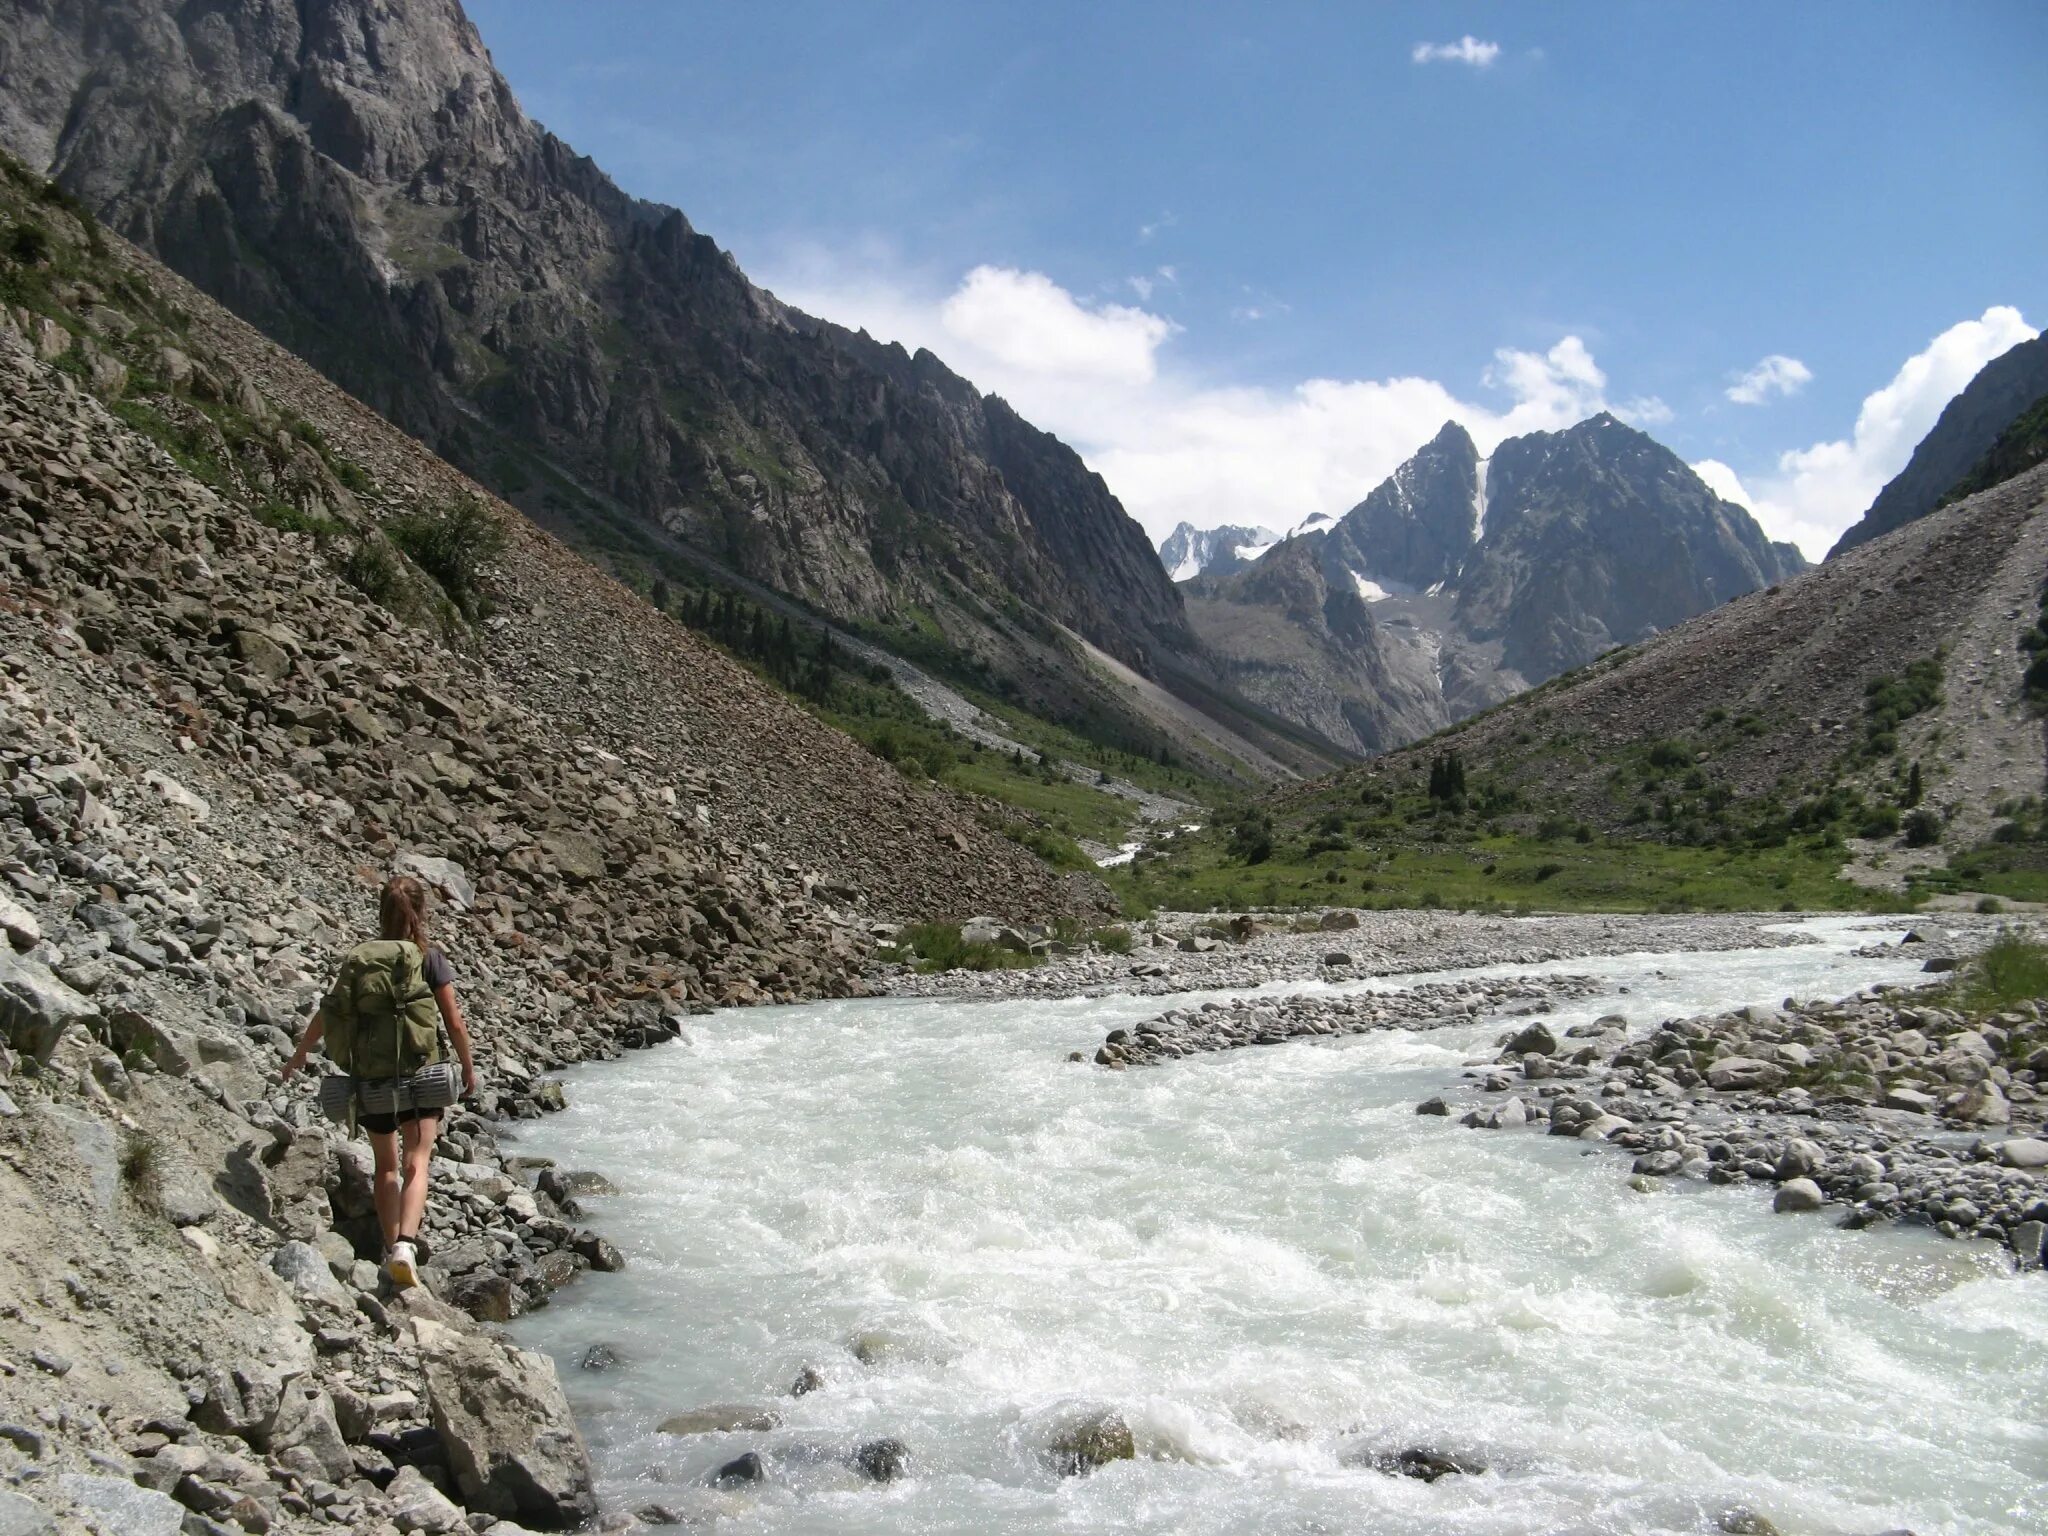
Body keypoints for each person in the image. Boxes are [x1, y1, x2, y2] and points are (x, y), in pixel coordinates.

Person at [283, 875, 478, 1287]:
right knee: (417, 1161)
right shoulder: (429, 958)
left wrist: (300, 1053)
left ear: (380, 912)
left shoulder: (360, 958)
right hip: (421, 1075)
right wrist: (468, 1066)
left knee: (385, 1167)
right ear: (420, 912)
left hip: (370, 1077)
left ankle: (391, 1250)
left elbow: (330, 1012)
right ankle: (407, 1244)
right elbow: (454, 1022)